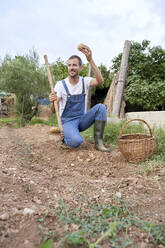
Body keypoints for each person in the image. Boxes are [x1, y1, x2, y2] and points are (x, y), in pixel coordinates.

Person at [49, 44, 109, 152]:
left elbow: (100, 81)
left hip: (81, 120)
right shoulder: (60, 85)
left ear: (80, 68)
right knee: (76, 142)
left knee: (101, 108)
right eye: (69, 65)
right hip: (66, 121)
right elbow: (53, 110)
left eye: (75, 65)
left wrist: (90, 59)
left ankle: (99, 144)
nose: (71, 67)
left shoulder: (84, 81)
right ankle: (65, 135)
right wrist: (52, 101)